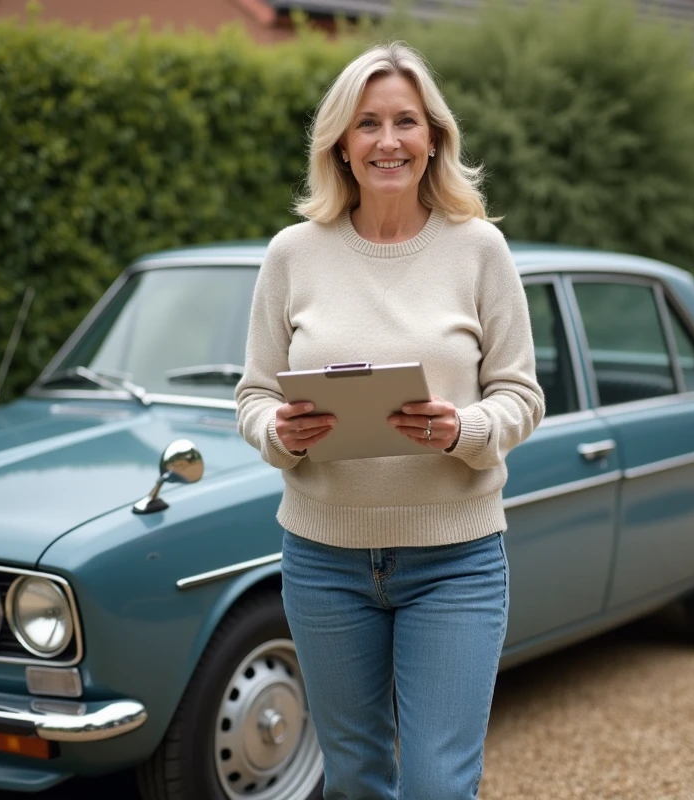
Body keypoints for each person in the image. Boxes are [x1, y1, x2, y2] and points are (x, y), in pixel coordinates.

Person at [235, 41, 545, 800]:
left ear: (433, 136)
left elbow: (522, 395)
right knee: (355, 780)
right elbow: (252, 396)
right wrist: (280, 433)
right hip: (323, 562)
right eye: (368, 123)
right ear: (341, 142)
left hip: (457, 562)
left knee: (439, 785)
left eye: (406, 121)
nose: (388, 141)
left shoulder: (479, 250)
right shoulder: (292, 255)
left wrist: (462, 430)